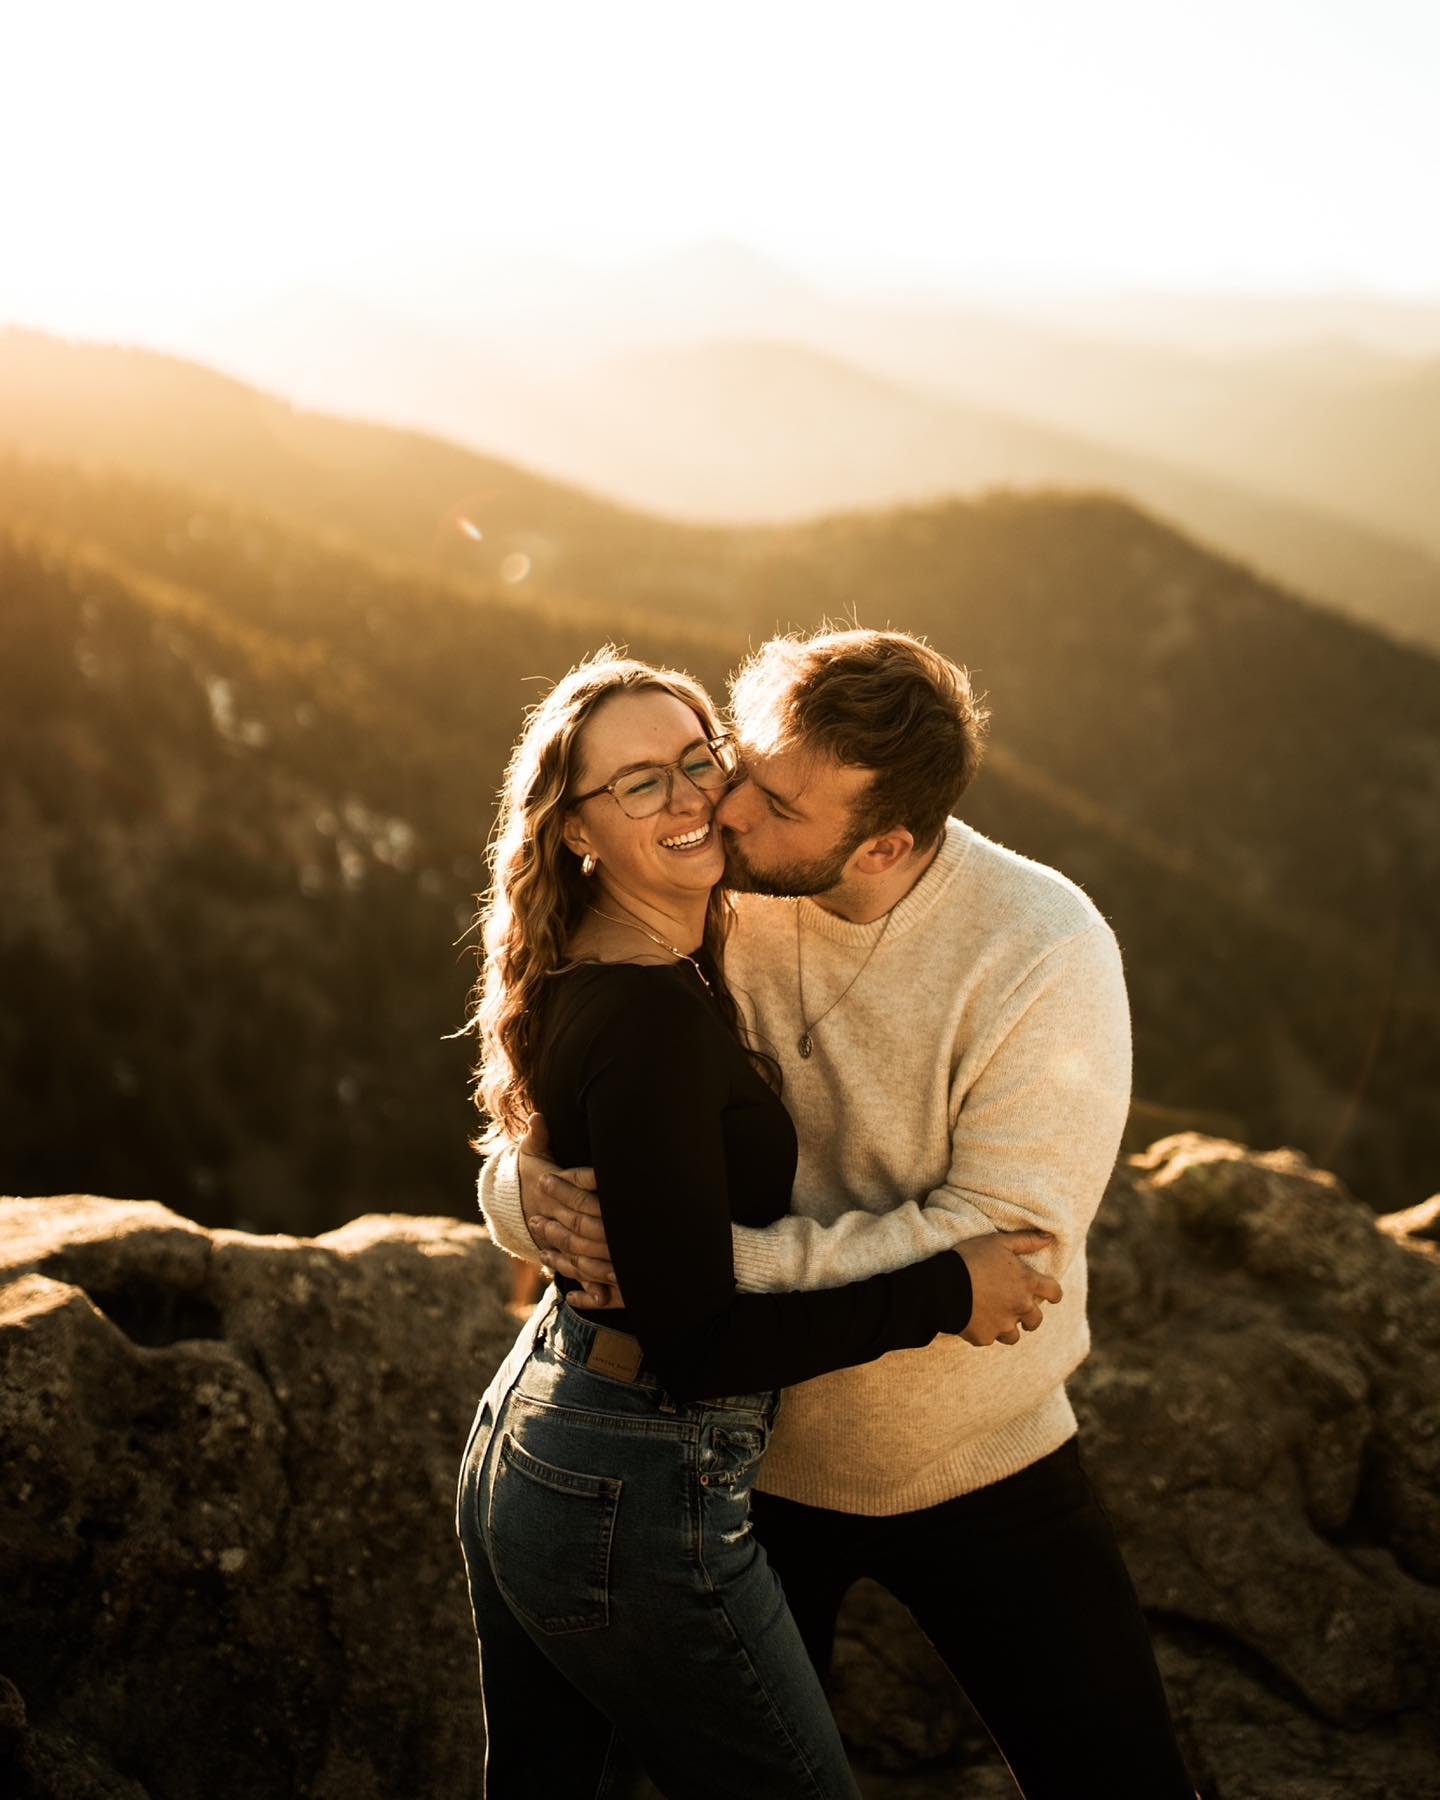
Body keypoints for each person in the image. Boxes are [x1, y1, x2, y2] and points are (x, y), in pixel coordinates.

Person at [480, 629, 1198, 1798]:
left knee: (1122, 1779)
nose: (727, 810)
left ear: (885, 845)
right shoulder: (720, 887)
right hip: (742, 1457)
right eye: (740, 764)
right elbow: (593, 1059)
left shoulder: (1043, 950)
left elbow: (999, 1235)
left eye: (775, 803)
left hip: (976, 1450)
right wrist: (518, 1193)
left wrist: (696, 1266)